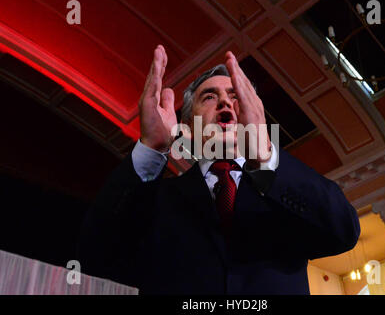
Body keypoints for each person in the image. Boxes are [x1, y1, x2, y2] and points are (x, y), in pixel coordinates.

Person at [78, 45, 360, 294]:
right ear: (187, 128)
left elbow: (344, 232)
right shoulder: (158, 199)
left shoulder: (281, 188)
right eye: (209, 97)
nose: (225, 102)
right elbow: (96, 251)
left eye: (235, 95)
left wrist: (264, 156)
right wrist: (152, 146)